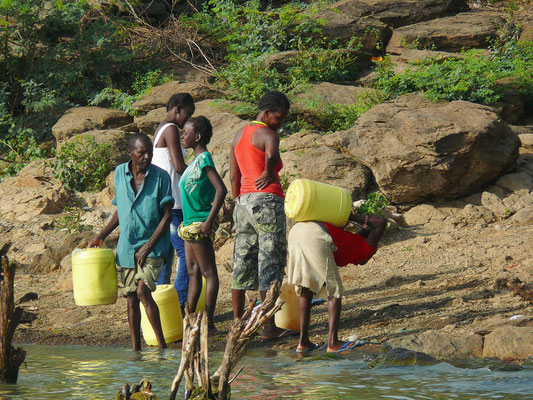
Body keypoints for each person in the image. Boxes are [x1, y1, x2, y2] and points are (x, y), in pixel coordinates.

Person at [89, 133, 173, 351]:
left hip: (154, 247)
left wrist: (148, 246)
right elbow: (122, 210)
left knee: (143, 291)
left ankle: (162, 347)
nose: (147, 156)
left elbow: (167, 216)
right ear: (130, 153)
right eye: (141, 152)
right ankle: (136, 349)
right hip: (127, 248)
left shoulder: (161, 177)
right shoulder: (119, 174)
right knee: (131, 298)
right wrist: (101, 235)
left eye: (150, 152)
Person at [229, 90, 294, 340]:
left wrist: (239, 200)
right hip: (267, 199)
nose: (281, 122)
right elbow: (272, 153)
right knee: (270, 260)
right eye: (280, 117)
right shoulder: (268, 133)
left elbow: (235, 175)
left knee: (242, 261)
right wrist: (268, 169)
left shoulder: (238, 135)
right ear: (266, 114)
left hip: (243, 201)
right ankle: (268, 327)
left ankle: (237, 323)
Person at [287, 214, 387, 353]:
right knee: (334, 291)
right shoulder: (365, 249)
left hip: (297, 231)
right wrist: (349, 215)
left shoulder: (348, 239)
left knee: (306, 287)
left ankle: (303, 342)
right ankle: (333, 343)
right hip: (315, 233)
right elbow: (381, 221)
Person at [178, 116, 227, 334]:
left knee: (208, 272)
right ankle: (189, 319)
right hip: (189, 224)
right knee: (193, 271)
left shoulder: (205, 159)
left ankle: (209, 321)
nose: (182, 136)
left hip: (199, 221)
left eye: (186, 133)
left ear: (197, 137)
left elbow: (221, 189)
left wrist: (208, 221)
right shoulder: (194, 162)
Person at [151, 93, 195, 312]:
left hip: (162, 201)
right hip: (174, 203)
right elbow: (179, 167)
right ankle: (179, 304)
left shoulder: (161, 128)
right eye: (187, 114)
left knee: (166, 256)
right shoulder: (170, 130)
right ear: (177, 109)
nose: (187, 121)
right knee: (185, 255)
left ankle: (162, 306)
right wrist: (199, 179)